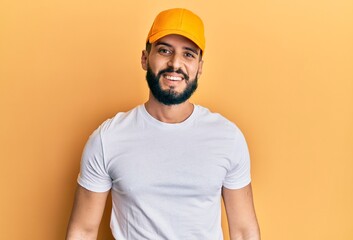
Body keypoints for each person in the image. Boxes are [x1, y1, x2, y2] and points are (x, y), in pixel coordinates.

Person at [66, 8, 260, 240]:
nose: (175, 63)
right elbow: (83, 231)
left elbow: (243, 231)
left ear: (200, 67)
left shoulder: (228, 138)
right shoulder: (108, 138)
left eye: (188, 54)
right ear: (145, 58)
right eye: (164, 50)